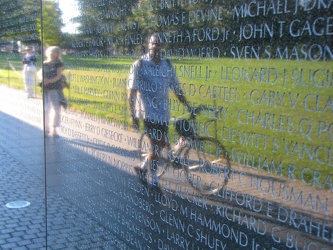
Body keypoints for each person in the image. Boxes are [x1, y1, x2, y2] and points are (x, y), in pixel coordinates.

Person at [128, 33, 190, 186]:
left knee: (159, 145)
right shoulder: (140, 64)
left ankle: (143, 167)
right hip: (147, 112)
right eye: (153, 43)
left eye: (159, 44)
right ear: (148, 45)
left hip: (163, 113)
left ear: (162, 47)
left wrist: (188, 105)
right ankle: (154, 178)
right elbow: (132, 91)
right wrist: (133, 115)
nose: (156, 47)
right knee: (156, 145)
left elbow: (176, 88)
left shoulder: (167, 65)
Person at [42, 46, 65, 137]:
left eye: (55, 52)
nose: (52, 53)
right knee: (46, 109)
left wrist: (49, 81)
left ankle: (54, 128)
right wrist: (43, 80)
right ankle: (46, 128)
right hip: (46, 88)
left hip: (55, 88)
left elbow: (59, 76)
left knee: (56, 108)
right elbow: (41, 73)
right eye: (51, 51)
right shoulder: (45, 63)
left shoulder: (59, 63)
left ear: (57, 54)